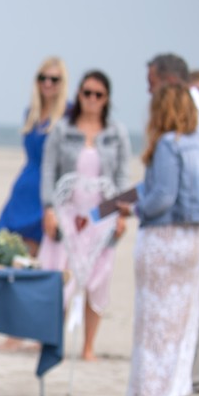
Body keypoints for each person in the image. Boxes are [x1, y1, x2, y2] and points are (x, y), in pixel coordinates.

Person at [118, 83, 199, 396]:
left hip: (164, 238)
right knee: (185, 322)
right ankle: (177, 391)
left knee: (155, 323)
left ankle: (151, 395)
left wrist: (136, 208)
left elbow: (163, 196)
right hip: (196, 237)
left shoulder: (168, 144)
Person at [146, 54, 199, 393]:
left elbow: (177, 189)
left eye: (151, 82)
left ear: (167, 82)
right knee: (193, 309)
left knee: (192, 312)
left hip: (194, 232)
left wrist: (187, 220)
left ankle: (190, 384)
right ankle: (186, 382)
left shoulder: (191, 118)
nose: (148, 90)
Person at [37, 70, 130, 361]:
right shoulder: (63, 129)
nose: (91, 99)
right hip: (67, 211)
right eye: (87, 92)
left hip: (101, 214)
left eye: (98, 94)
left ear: (107, 99)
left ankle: (88, 347)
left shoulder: (116, 134)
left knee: (98, 278)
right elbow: (49, 170)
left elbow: (123, 176)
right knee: (59, 276)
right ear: (78, 94)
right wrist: (49, 209)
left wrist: (121, 215)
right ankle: (55, 343)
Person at [0, 57, 68, 254]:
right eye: (43, 78)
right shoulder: (31, 113)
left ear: (62, 83)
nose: (48, 83)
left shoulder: (68, 114)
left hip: (50, 187)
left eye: (54, 79)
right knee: (9, 248)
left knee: (42, 249)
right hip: (26, 185)